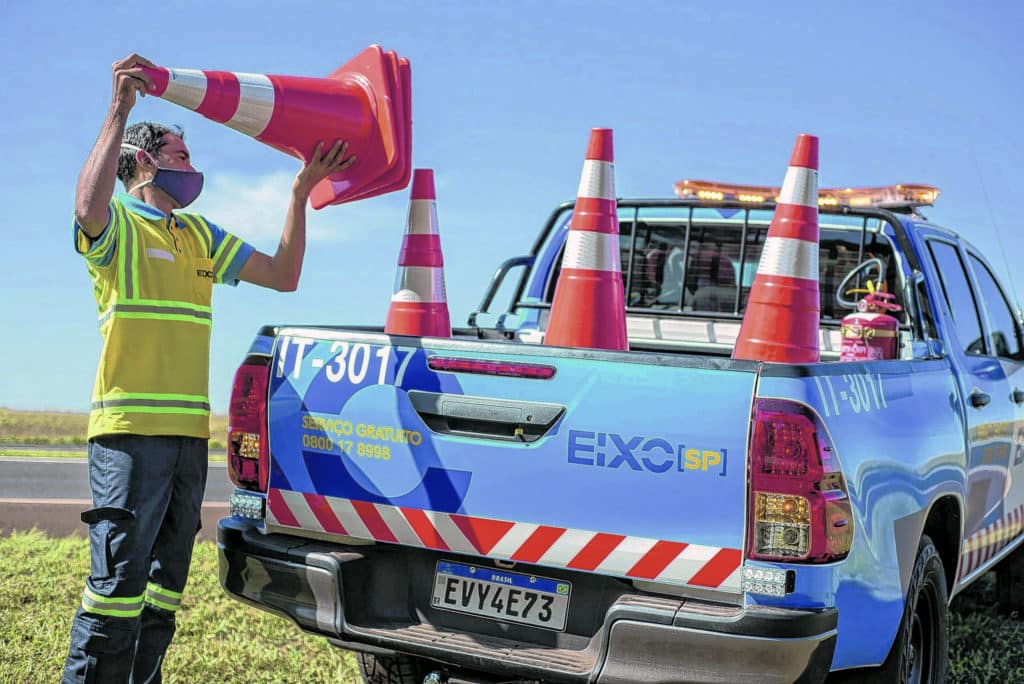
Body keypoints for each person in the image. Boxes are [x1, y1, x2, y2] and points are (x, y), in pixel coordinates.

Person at [62, 53, 355, 684]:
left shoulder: (199, 235)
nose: (193, 167)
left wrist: (299, 193)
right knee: (114, 593)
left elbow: (283, 275)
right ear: (145, 163)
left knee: (163, 592)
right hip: (129, 437)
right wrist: (118, 110)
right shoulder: (118, 228)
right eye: (181, 155)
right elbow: (86, 208)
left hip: (189, 442)